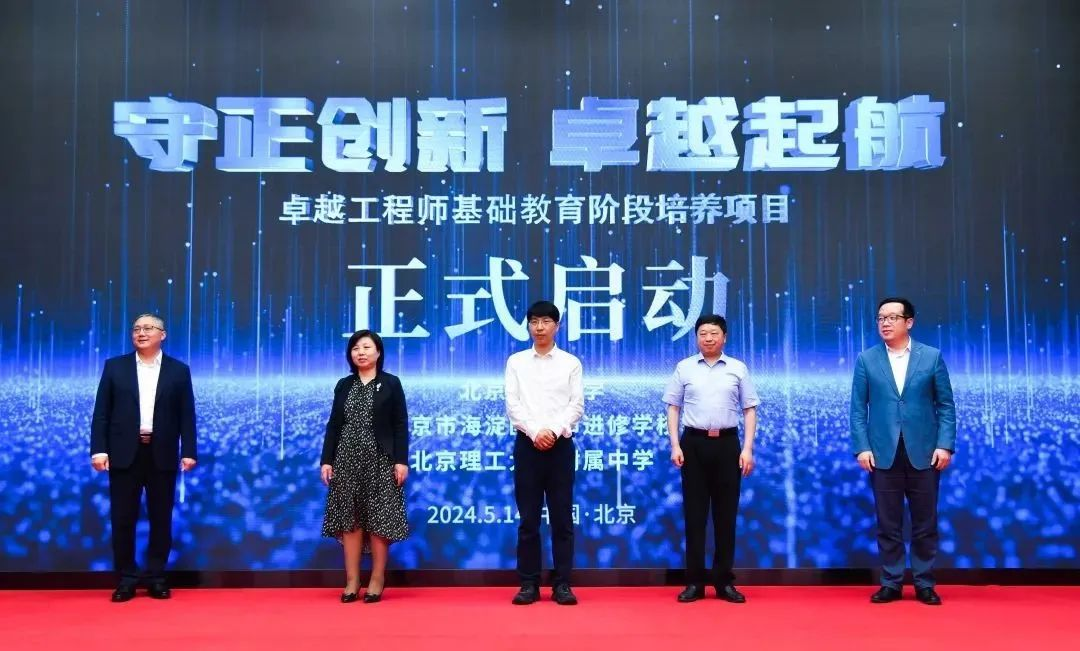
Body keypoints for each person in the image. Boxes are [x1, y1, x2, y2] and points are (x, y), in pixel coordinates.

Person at [850, 297, 956, 606]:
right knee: (888, 523)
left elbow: (945, 406)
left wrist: (944, 444)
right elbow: (858, 409)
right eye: (881, 318)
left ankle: (924, 583)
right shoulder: (867, 359)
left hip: (925, 451)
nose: (885, 323)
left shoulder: (931, 357)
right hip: (883, 452)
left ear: (909, 322)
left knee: (925, 523)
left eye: (892, 317)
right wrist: (862, 447)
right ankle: (891, 582)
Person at [90, 313, 197, 602]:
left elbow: (186, 415)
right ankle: (126, 579)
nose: (141, 333)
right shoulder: (115, 367)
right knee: (122, 518)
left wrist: (189, 450)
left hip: (162, 453)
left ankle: (156, 577)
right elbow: (101, 413)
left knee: (161, 519)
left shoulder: (179, 371)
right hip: (124, 453)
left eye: (148, 328)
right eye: (136, 328)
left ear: (163, 334)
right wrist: (99, 449)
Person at [663, 314, 759, 603]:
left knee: (725, 517)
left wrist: (747, 448)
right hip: (692, 444)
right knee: (694, 517)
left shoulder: (738, 368)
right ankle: (694, 582)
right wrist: (675, 445)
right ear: (696, 337)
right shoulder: (684, 367)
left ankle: (723, 581)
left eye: (714, 333)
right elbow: (673, 407)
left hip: (728, 445)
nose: (708, 338)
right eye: (702, 333)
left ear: (724, 337)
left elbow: (750, 409)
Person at [320, 329, 410, 603]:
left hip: (381, 460)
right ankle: (352, 581)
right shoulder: (344, 385)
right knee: (351, 519)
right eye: (355, 348)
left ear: (378, 352)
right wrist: (327, 460)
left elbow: (400, 425)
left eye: (367, 347)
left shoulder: (391, 383)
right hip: (346, 458)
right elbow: (334, 425)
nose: (361, 352)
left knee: (379, 520)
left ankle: (377, 579)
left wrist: (401, 460)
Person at [505, 300, 584, 606]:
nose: (539, 327)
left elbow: (576, 405)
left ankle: (562, 584)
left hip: (560, 445)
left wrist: (551, 430)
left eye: (546, 322)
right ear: (528, 326)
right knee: (528, 520)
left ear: (557, 326)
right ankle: (529, 584)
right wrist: (535, 431)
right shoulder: (516, 362)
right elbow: (513, 404)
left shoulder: (570, 363)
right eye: (534, 322)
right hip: (527, 445)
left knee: (562, 519)